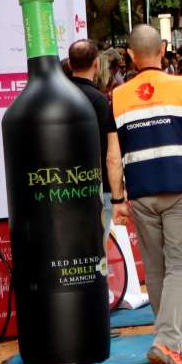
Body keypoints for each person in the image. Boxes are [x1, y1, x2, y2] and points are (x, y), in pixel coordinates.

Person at [109, 25, 182, 364]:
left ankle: (165, 337)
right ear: (162, 49)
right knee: (180, 267)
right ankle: (168, 341)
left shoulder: (118, 96)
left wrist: (117, 200)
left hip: (141, 192)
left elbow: (113, 157)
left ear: (129, 55)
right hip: (181, 188)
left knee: (156, 269)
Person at [69, 40, 121, 233]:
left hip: (65, 185)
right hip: (97, 187)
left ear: (70, 65)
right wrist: (117, 194)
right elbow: (109, 149)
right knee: (97, 247)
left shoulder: (59, 96)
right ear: (97, 64)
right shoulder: (98, 100)